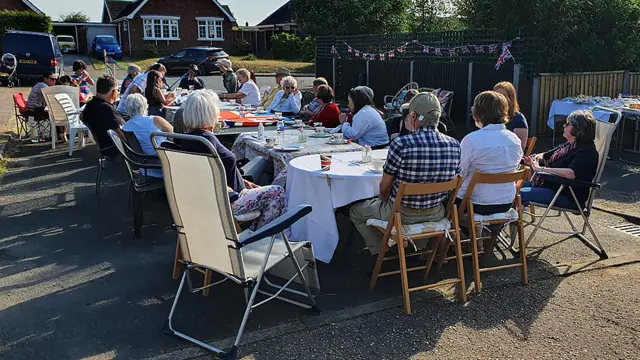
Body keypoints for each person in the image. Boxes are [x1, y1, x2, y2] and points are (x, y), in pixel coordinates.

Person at [350, 92, 461, 261]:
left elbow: (384, 188)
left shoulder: (401, 144)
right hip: (436, 212)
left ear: (415, 116)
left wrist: (383, 201)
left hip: (402, 213)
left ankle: (380, 251)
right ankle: (420, 250)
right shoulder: (455, 145)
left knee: (355, 211)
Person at [179, 90, 288, 230]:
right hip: (227, 200)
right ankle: (258, 237)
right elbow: (210, 179)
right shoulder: (206, 141)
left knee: (276, 176)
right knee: (278, 191)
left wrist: (243, 182)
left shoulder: (191, 139)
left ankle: (257, 234)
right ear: (211, 112)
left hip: (216, 197)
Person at [456, 91, 523, 215]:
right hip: (506, 202)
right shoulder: (515, 140)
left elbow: (459, 174)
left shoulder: (471, 140)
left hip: (473, 204)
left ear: (476, 114)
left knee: (443, 201)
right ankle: (491, 232)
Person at [521, 110, 599, 209]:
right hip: (551, 187)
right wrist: (534, 160)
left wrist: (541, 169)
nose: (564, 126)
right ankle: (510, 221)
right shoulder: (569, 145)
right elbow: (545, 155)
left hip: (568, 195)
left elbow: (571, 173)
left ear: (577, 128)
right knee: (511, 187)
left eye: (567, 124)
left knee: (518, 193)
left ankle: (506, 222)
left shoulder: (587, 151)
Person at [122, 94, 173, 177]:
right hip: (164, 163)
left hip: (144, 166)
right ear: (145, 106)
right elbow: (173, 135)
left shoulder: (126, 127)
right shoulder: (155, 120)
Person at [80, 76, 124, 159]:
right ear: (113, 92)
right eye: (117, 90)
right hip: (115, 150)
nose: (118, 93)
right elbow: (121, 135)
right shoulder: (107, 109)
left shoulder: (90, 105)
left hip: (103, 147)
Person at [494, 81, 528, 149]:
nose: (498, 99)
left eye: (502, 96)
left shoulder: (518, 119)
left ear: (510, 98)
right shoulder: (492, 116)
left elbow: (520, 147)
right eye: (496, 95)